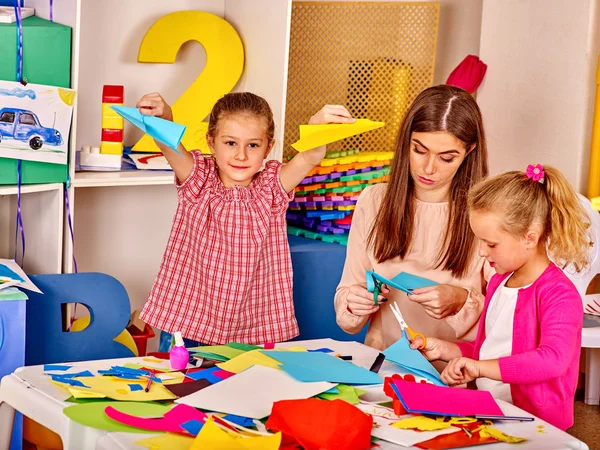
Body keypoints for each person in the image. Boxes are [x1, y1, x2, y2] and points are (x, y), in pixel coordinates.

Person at [136, 92, 355, 347]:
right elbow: (166, 143)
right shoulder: (198, 181)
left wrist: (316, 131)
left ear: (268, 147)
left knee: (244, 385)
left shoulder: (271, 188)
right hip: (188, 324)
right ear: (211, 141)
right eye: (230, 143)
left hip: (250, 329)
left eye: (252, 145)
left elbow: (309, 156)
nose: (241, 155)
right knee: (179, 385)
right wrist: (164, 117)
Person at [411, 165, 590, 430]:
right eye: (479, 241)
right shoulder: (498, 282)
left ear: (530, 238)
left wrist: (479, 368)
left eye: (491, 243)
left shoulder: (560, 294)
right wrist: (445, 350)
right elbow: (488, 351)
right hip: (493, 412)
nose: (482, 252)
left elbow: (553, 360)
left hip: (537, 426)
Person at [334, 85, 492, 351]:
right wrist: (354, 302)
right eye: (419, 150)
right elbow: (347, 301)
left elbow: (507, 319)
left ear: (470, 151)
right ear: (406, 141)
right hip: (384, 366)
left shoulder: (486, 212)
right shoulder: (374, 201)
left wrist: (461, 300)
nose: (429, 168)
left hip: (455, 372)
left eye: (447, 158)